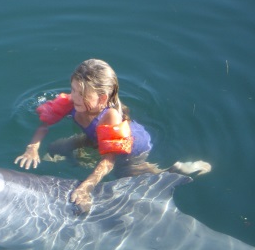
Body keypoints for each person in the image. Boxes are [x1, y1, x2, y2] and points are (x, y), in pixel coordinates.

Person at [14, 59, 210, 213]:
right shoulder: (73, 101)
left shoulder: (110, 116)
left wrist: (86, 187)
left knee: (128, 178)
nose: (73, 96)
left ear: (102, 98)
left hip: (130, 149)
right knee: (56, 147)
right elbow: (45, 124)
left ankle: (175, 171)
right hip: (96, 137)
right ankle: (80, 157)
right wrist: (32, 148)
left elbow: (108, 161)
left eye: (80, 93)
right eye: (72, 89)